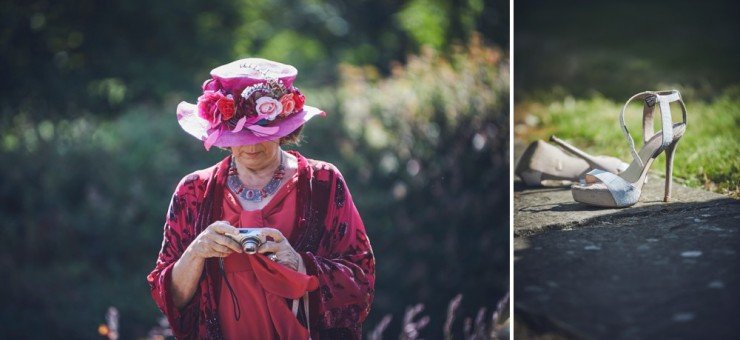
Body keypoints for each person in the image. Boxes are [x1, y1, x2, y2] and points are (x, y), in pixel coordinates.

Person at [147, 58, 375, 339]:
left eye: (260, 134)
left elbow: (361, 281)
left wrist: (298, 262)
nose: (250, 146)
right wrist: (196, 252)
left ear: (285, 130)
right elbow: (168, 299)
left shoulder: (323, 182)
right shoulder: (193, 191)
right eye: (239, 135)